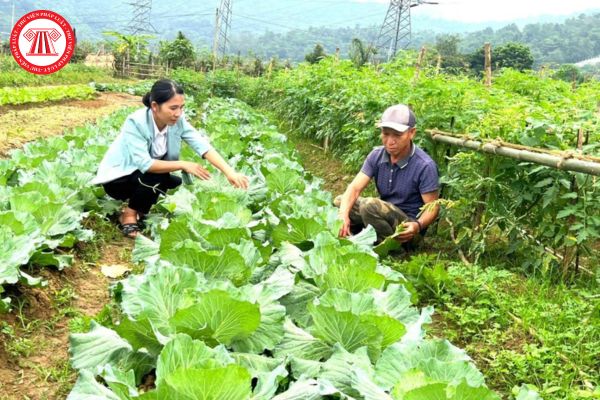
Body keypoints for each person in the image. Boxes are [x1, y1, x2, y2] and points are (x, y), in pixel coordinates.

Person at [91, 79, 249, 238]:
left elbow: (202, 145)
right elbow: (145, 164)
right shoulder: (136, 122)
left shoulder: (177, 121)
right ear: (154, 106)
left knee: (173, 182)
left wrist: (230, 172)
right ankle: (129, 214)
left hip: (141, 176)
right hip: (118, 180)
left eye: (181, 107)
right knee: (157, 177)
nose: (178, 113)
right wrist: (183, 164)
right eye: (173, 108)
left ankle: (140, 206)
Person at [336, 104, 439, 247]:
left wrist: (418, 225)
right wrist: (343, 215)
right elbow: (354, 188)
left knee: (369, 206)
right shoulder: (377, 156)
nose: (390, 141)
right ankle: (356, 237)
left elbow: (432, 207)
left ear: (412, 133)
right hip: (383, 215)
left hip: (407, 228)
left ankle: (390, 249)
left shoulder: (424, 166)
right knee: (341, 202)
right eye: (385, 134)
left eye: (397, 135)